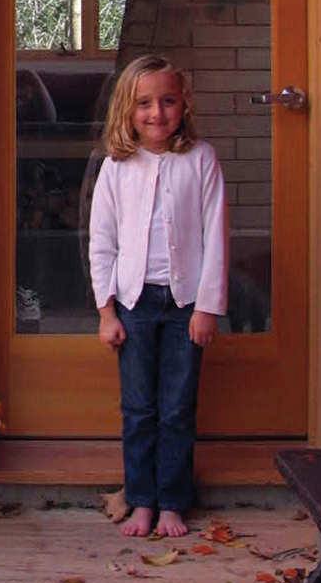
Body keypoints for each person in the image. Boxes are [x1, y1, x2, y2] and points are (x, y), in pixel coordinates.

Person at [88, 54, 227, 539]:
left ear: (183, 105)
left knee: (177, 406)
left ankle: (172, 500)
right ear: (127, 110)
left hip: (186, 303)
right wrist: (107, 312)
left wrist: (207, 306)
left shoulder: (201, 160)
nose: (157, 113)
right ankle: (141, 497)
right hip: (133, 304)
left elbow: (216, 238)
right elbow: (102, 243)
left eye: (168, 101)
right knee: (140, 407)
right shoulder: (117, 167)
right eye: (144, 103)